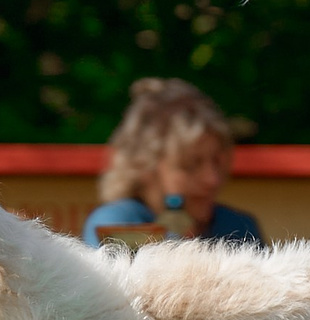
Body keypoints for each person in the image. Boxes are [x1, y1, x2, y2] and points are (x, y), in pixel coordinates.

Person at [79, 78, 266, 248]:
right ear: (144, 165)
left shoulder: (239, 228)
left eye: (217, 162)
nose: (212, 179)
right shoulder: (116, 225)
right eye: (190, 165)